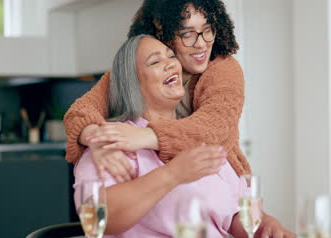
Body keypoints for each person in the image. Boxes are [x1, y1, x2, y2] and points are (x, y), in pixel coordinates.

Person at [74, 35, 296, 238]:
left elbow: (234, 216)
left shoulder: (199, 136)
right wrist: (173, 174)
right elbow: (104, 219)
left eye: (171, 57)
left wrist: (265, 225)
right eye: (155, 61)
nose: (171, 63)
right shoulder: (111, 141)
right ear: (132, 82)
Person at [64, 0, 250, 183]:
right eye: (187, 34)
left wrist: (144, 136)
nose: (201, 44)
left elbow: (215, 128)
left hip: (222, 182)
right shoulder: (133, 72)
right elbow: (80, 112)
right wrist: (100, 141)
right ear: (164, 33)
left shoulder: (223, 68)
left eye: (208, 30)